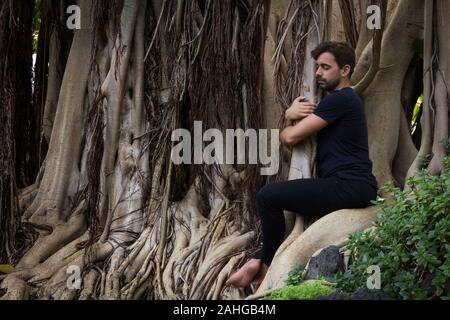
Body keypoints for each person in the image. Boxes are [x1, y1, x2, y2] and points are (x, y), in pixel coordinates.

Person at [225, 41, 378, 288]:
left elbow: (291, 137)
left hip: (349, 186)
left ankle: (265, 263)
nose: (318, 73)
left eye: (325, 67)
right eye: (317, 67)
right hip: (348, 185)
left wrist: (288, 116)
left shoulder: (340, 99)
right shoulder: (343, 101)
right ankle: (260, 260)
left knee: (268, 196)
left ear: (345, 70)